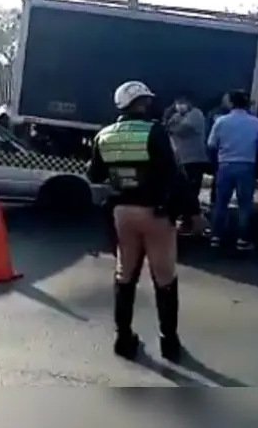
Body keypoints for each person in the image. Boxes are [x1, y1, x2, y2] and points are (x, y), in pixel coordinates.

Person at [87, 80, 190, 362]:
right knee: (164, 277)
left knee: (125, 274)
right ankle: (169, 343)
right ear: (143, 103)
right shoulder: (155, 131)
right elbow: (173, 174)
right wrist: (189, 211)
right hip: (155, 213)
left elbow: (94, 175)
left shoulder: (104, 135)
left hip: (123, 213)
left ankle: (123, 338)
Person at [207, 90, 258, 251]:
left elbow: (211, 143)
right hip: (246, 165)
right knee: (245, 204)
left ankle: (216, 237)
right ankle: (242, 240)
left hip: (225, 165)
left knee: (221, 203)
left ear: (231, 103)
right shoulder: (256, 122)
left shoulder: (221, 121)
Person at [163, 94, 208, 234]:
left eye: (182, 102)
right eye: (177, 103)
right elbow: (166, 126)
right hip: (180, 159)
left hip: (194, 159)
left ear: (189, 103)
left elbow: (181, 130)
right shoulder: (177, 116)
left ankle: (191, 222)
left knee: (191, 191)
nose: (179, 105)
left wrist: (170, 125)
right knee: (180, 190)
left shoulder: (196, 114)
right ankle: (184, 220)